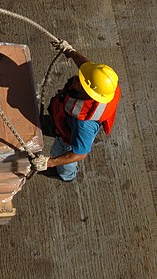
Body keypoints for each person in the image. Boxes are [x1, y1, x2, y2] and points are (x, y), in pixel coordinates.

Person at [33, 40, 121, 182]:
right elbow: (87, 68)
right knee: (50, 124)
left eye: (80, 82)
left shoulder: (84, 124)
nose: (76, 79)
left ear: (89, 93)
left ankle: (66, 176)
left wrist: (49, 162)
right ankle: (53, 125)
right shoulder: (105, 85)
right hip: (65, 118)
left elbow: (79, 153)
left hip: (68, 136)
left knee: (60, 153)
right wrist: (70, 51)